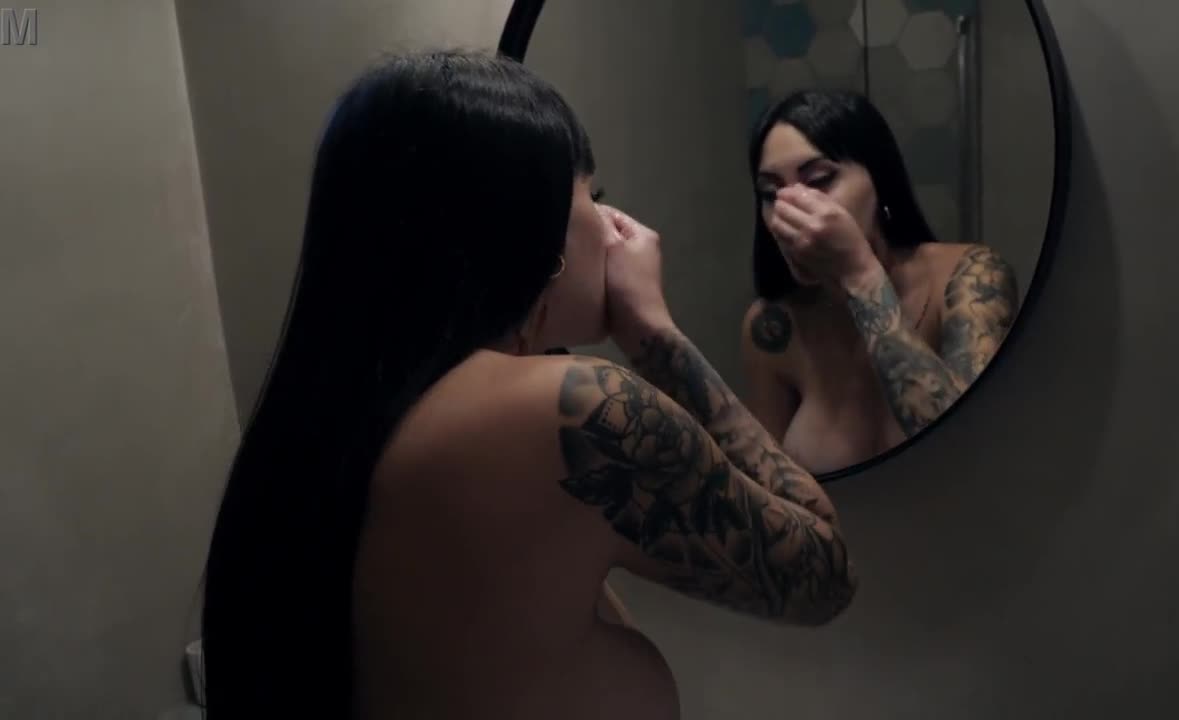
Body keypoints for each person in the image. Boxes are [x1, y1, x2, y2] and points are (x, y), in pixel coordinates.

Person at [199, 51, 855, 720]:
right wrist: (655, 334)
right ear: (535, 230)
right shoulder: (569, 410)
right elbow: (825, 572)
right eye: (593, 196)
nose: (615, 226)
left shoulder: (352, 415)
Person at [741, 89, 1020, 474]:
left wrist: (860, 274)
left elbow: (970, 455)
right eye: (771, 193)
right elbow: (769, 489)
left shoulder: (971, 275)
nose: (788, 212)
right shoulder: (772, 328)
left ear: (881, 181)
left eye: (819, 180)